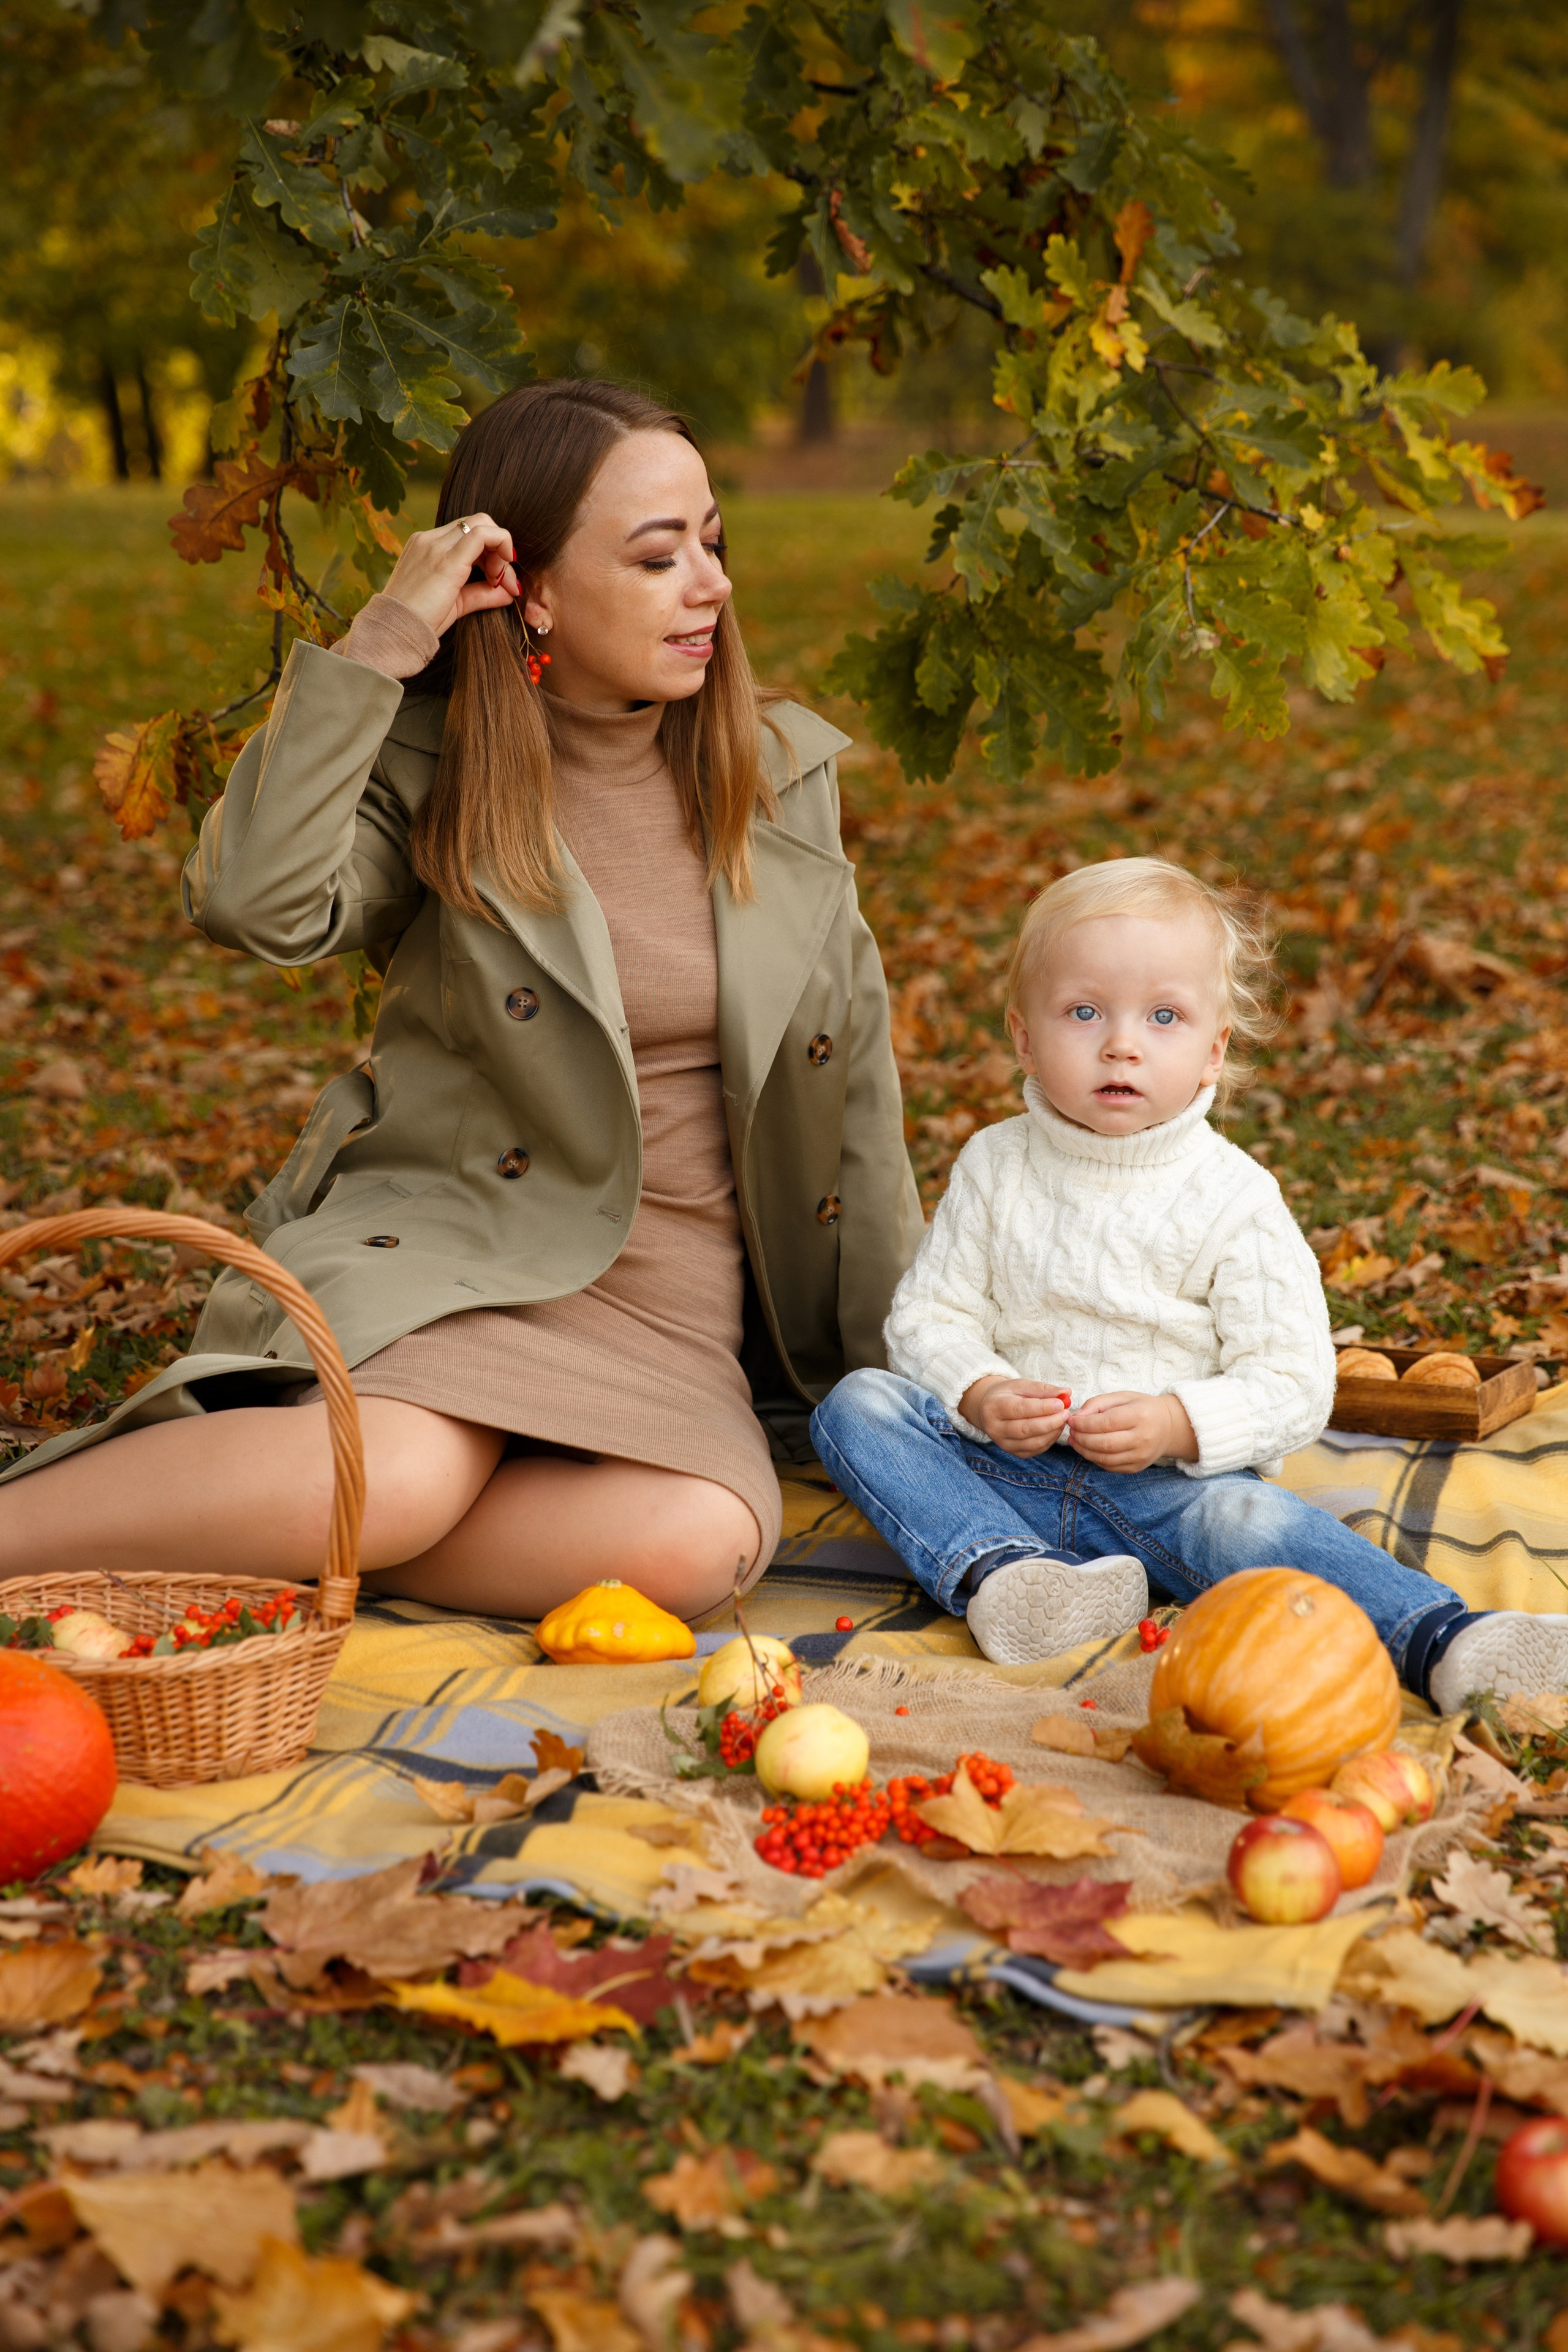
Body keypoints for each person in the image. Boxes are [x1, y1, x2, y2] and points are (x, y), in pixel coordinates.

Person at [0, 380, 923, 1623]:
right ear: (527, 587)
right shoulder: (436, 773)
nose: (709, 586)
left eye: (712, 543)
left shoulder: (776, 779)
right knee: (406, 1475)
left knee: (698, 1546)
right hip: (461, 1255)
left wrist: (912, 1382)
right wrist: (380, 646)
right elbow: (252, 906)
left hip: (666, 1309)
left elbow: (853, 1101)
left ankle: (265, 1528)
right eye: (657, 558)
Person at [811, 856, 1568, 1710]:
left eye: (1163, 1016)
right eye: (1084, 1011)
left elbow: (1295, 1381)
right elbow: (929, 1316)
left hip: (1176, 1493)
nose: (1121, 1042)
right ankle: (1013, 1576)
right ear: (1025, 1036)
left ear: (1213, 1053)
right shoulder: (996, 1164)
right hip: (1001, 1470)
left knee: (1256, 1524)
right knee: (858, 1405)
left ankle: (1441, 1638)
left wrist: (1177, 1422)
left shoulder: (1233, 1196)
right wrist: (980, 1391)